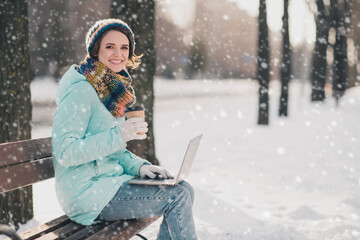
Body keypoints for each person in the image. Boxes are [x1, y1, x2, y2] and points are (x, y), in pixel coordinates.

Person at [51, 19, 197, 240]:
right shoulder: (81, 91)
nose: (118, 53)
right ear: (95, 50)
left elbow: (112, 153)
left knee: (184, 189)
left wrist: (140, 167)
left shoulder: (112, 90)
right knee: (177, 197)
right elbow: (65, 152)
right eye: (110, 46)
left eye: (124, 47)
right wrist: (119, 135)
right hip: (85, 194)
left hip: (107, 184)